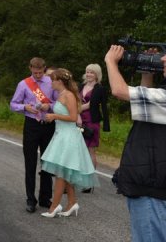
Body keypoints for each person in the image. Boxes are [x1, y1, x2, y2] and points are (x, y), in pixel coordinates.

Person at [104, 44, 166, 242]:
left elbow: (119, 91)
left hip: (153, 188)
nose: (163, 59)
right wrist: (147, 74)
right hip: (152, 183)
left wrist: (111, 61)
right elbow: (145, 109)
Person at [39, 68, 99, 218]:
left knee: (61, 173)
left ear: (59, 81)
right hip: (61, 135)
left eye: (52, 79)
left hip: (69, 137)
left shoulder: (69, 95)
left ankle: (54, 207)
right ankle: (72, 203)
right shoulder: (62, 94)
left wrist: (54, 115)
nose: (50, 82)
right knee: (65, 172)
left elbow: (73, 118)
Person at [10, 57, 58, 213]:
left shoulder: (51, 82)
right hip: (31, 125)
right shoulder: (23, 84)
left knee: (47, 163)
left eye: (40, 72)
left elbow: (60, 103)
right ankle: (31, 200)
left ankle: (45, 198)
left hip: (48, 125)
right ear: (30, 68)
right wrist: (25, 107)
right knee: (30, 163)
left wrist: (48, 105)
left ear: (44, 68)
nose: (37, 75)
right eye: (35, 72)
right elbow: (13, 104)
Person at [79, 64, 110, 174]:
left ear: (97, 74)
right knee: (78, 150)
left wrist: (75, 109)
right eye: (87, 72)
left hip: (92, 122)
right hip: (78, 121)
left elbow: (99, 107)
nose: (89, 74)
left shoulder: (100, 89)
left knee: (90, 151)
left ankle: (89, 180)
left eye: (92, 72)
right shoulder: (80, 86)